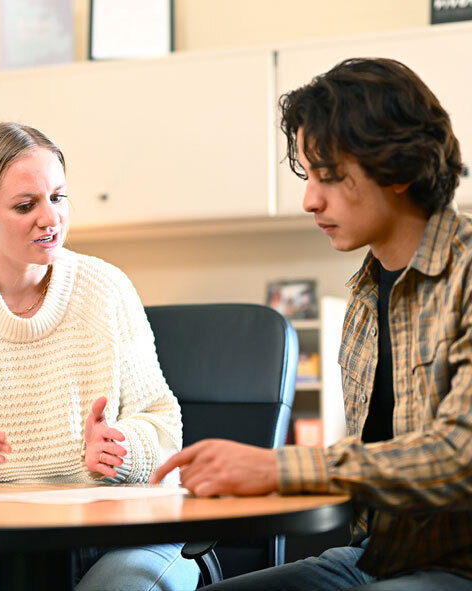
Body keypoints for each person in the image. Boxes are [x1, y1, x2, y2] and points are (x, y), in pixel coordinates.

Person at [150, 58, 471, 590]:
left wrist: (276, 469)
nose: (309, 199)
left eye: (330, 176)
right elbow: (375, 465)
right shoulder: (365, 297)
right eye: (308, 175)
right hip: (378, 558)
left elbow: (459, 458)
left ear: (399, 167)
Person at [0, 122, 198, 590]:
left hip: (129, 537)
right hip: (12, 548)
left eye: (58, 198)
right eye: (26, 205)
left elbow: (163, 424)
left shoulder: (106, 289)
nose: (50, 218)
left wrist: (119, 448)